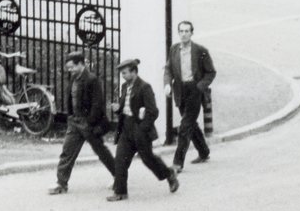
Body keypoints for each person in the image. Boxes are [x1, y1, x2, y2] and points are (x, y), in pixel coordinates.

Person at [108, 58, 178, 200]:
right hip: (126, 128)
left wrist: (141, 128)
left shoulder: (144, 87)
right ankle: (120, 192)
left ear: (134, 72)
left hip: (139, 128)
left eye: (125, 73)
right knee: (120, 159)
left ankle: (169, 174)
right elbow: (125, 107)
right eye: (122, 73)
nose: (123, 76)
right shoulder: (124, 87)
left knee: (148, 159)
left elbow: (153, 111)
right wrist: (118, 109)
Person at [50, 50, 116, 194]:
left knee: (101, 152)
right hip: (74, 122)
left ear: (81, 64)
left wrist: (90, 122)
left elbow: (98, 104)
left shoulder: (92, 80)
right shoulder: (73, 78)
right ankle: (61, 183)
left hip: (88, 123)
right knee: (67, 152)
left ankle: (119, 177)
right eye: (68, 68)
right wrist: (70, 117)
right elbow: (70, 100)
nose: (70, 70)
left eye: (72, 67)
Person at [164, 21, 216, 168]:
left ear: (192, 33)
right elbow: (168, 69)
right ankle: (204, 152)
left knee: (185, 126)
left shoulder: (200, 50)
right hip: (180, 90)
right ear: (178, 33)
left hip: (195, 90)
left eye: (187, 31)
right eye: (181, 31)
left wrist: (200, 87)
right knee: (190, 123)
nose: (184, 34)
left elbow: (211, 72)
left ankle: (177, 163)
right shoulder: (174, 49)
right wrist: (167, 84)